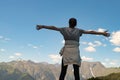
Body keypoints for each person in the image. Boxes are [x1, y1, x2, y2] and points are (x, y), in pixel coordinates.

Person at [36, 18, 110, 80]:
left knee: (63, 72)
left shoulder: (64, 29)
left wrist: (42, 26)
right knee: (76, 72)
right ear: (76, 24)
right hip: (75, 52)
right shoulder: (78, 31)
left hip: (67, 52)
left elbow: (53, 27)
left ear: (68, 23)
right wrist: (102, 33)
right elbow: (91, 32)